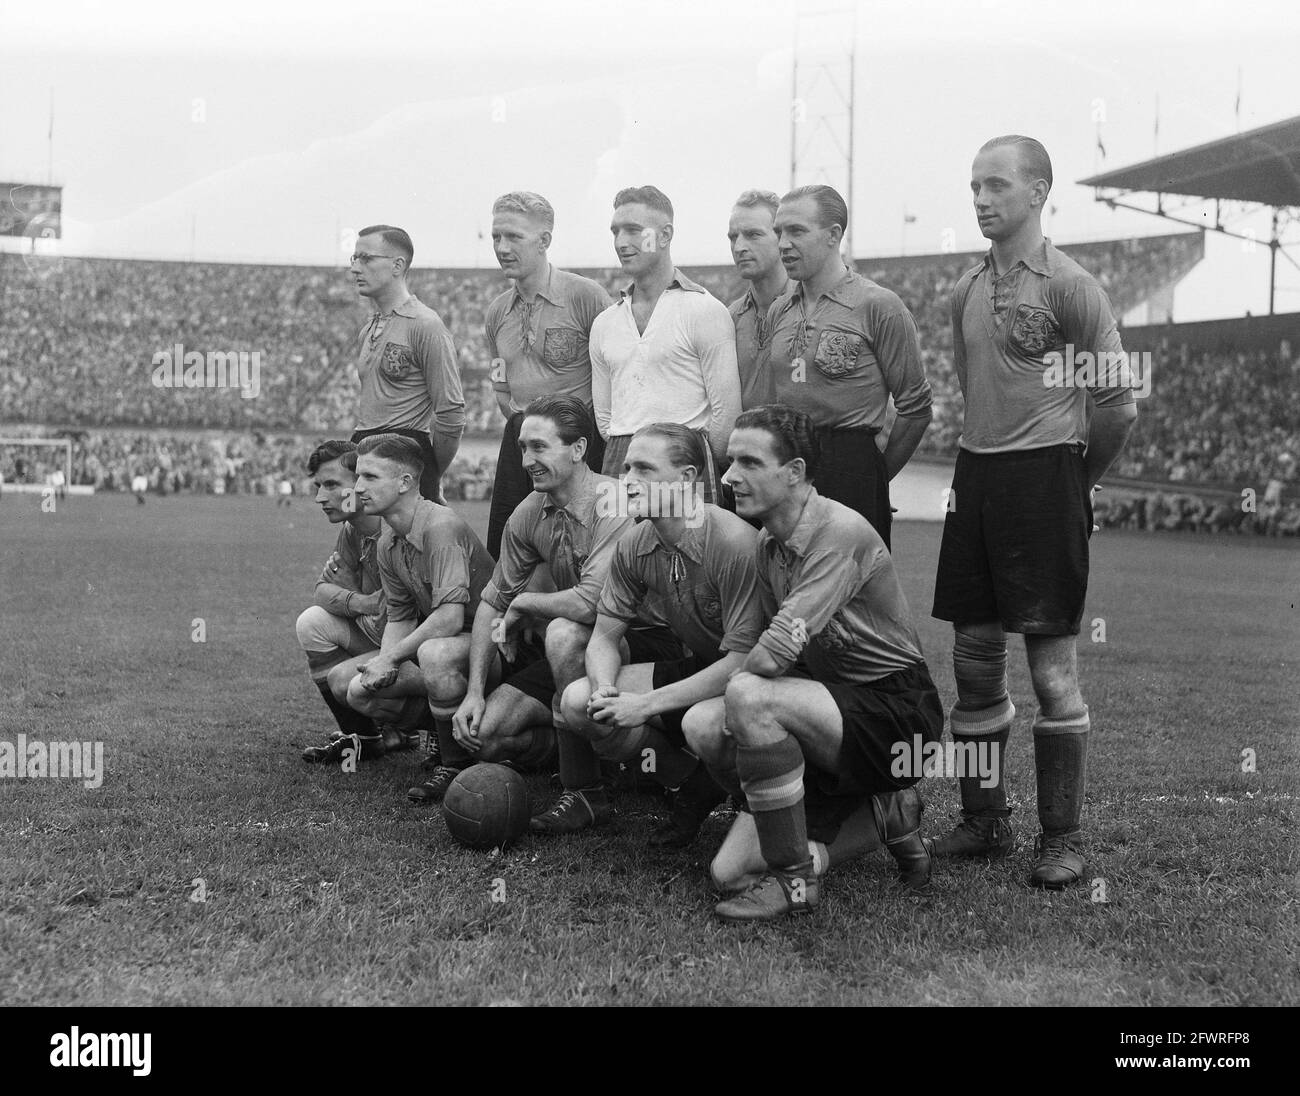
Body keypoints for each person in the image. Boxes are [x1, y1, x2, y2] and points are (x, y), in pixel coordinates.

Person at [930, 135, 1138, 889]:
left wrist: (1079, 478)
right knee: (976, 663)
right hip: (977, 479)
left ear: (1039, 191)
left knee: (1051, 674)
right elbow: (972, 390)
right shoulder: (964, 291)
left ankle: (1062, 838)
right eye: (974, 186)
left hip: (1048, 478)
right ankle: (985, 821)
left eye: (996, 185)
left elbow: (1117, 403)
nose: (981, 199)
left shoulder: (1072, 287)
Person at [688, 406, 942, 923]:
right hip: (823, 705)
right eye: (729, 460)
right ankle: (882, 812)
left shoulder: (840, 531)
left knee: (746, 698)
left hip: (897, 713)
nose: (731, 476)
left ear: (796, 472)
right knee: (727, 866)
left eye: (750, 462)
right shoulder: (766, 544)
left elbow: (772, 654)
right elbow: (764, 652)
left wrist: (739, 704)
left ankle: (795, 879)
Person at [447, 396, 681, 827]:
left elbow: (590, 604)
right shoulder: (528, 513)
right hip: (583, 644)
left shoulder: (615, 502)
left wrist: (525, 602)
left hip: (646, 638)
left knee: (564, 632)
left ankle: (585, 791)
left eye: (539, 447)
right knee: (485, 737)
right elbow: (490, 603)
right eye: (522, 448)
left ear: (577, 450)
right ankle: (600, 755)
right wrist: (475, 691)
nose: (527, 460)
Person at [558, 423, 764, 848]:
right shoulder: (635, 544)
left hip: (761, 682)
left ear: (687, 478)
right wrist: (605, 689)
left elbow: (744, 661)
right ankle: (691, 783)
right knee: (579, 702)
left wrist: (646, 705)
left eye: (645, 470)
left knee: (700, 724)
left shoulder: (733, 542)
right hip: (707, 668)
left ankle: (762, 804)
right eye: (627, 468)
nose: (628, 481)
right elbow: (603, 637)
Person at [763, 185, 933, 549]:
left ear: (833, 235)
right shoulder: (780, 309)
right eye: (779, 232)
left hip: (850, 462)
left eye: (796, 231)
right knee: (787, 585)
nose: (783, 243)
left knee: (851, 593)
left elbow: (916, 408)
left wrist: (874, 477)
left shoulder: (879, 305)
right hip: (789, 464)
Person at [324, 434, 494, 775]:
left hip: (490, 647)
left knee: (435, 654)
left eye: (370, 477)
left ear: (405, 482)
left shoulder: (441, 526)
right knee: (350, 686)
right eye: (357, 476)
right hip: (444, 643)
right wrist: (384, 668)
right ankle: (442, 731)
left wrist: (390, 658)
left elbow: (449, 618)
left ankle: (454, 765)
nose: (357, 488)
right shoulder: (388, 540)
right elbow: (400, 616)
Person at [589, 185, 741, 503]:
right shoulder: (605, 322)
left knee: (691, 551)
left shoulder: (704, 310)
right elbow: (605, 420)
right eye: (615, 231)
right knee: (621, 551)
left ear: (664, 235)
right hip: (621, 459)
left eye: (633, 230)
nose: (621, 242)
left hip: (685, 460)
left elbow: (725, 415)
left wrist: (690, 456)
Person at [483, 191, 612, 559]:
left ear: (544, 241)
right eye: (496, 237)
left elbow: (613, 369)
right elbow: (500, 381)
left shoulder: (586, 297)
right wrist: (523, 426)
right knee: (507, 546)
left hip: (577, 442)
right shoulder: (495, 313)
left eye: (514, 237)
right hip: (521, 436)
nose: (502, 247)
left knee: (579, 550)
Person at [295, 440, 415, 764]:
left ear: (361, 483)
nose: (321, 497)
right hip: (379, 631)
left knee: (344, 680)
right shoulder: (353, 529)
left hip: (413, 647)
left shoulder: (397, 530)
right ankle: (363, 737)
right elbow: (322, 590)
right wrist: (361, 601)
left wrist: (348, 593)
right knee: (311, 622)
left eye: (332, 485)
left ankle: (414, 729)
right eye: (319, 486)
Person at [348, 225, 465, 502]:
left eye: (366, 258)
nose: (355, 268)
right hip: (363, 452)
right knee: (361, 540)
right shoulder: (368, 328)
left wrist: (430, 472)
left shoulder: (426, 325)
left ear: (397, 265)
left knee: (405, 543)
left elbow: (451, 415)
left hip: (403, 457)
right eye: (354, 259)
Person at [726, 189, 792, 410]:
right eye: (733, 237)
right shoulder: (730, 318)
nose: (739, 247)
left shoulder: (811, 308)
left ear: (782, 237)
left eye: (753, 235)